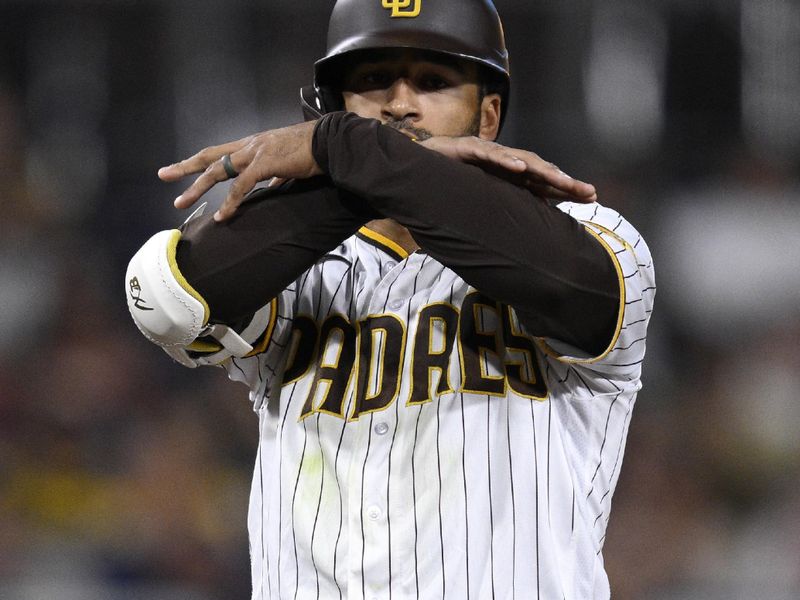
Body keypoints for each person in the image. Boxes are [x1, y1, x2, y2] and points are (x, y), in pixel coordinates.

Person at [125, 0, 655, 598]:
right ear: (331, 111)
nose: (399, 104)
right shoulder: (306, 271)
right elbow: (166, 301)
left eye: (432, 82)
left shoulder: (591, 231)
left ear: (488, 117)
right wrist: (356, 163)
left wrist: (354, 153)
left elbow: (575, 287)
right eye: (373, 81)